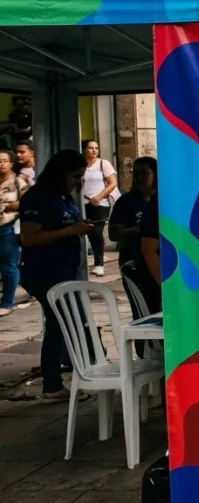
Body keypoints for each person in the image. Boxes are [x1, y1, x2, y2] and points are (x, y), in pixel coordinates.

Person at [19, 150, 93, 400]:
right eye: (74, 176)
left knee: (60, 325)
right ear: (60, 173)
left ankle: (59, 379)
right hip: (45, 272)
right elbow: (29, 238)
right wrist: (71, 230)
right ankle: (53, 384)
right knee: (61, 324)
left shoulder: (63, 197)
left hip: (63, 270)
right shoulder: (38, 198)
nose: (77, 182)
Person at [109, 157, 160, 314]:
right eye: (135, 173)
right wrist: (140, 229)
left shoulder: (162, 200)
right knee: (141, 313)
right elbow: (113, 233)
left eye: (145, 173)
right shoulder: (126, 202)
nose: (139, 177)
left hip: (159, 263)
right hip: (135, 262)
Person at [80, 140, 118, 277]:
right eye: (91, 148)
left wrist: (99, 197)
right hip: (84, 203)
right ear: (85, 149)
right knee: (89, 233)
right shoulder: (81, 165)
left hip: (101, 204)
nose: (94, 150)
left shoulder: (103, 164)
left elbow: (112, 183)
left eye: (96, 148)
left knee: (96, 232)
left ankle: (99, 264)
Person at [0, 150, 28, 317]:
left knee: (8, 265)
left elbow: (27, 202)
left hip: (9, 226)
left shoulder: (19, 182)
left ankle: (7, 302)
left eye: (4, 160)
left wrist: (11, 206)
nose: (1, 164)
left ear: (11, 163)